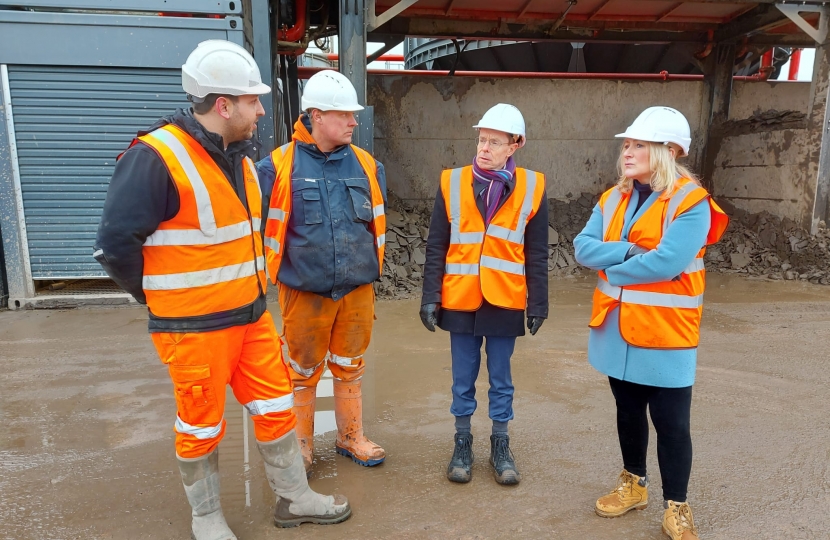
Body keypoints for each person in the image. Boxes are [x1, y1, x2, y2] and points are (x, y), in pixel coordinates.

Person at [94, 40, 350, 539]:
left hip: (251, 318)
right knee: (201, 426)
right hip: (192, 330)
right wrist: (161, 300)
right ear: (223, 105)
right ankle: (207, 517)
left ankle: (294, 498)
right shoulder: (157, 157)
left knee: (277, 408)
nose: (261, 110)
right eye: (253, 101)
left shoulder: (241, 156)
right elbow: (114, 246)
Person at [573, 106, 729, 540]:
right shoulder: (613, 196)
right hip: (617, 331)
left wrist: (611, 262)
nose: (627, 151)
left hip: (666, 333)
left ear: (667, 150)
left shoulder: (690, 202)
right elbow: (582, 248)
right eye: (626, 144)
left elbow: (670, 261)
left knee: (672, 423)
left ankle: (677, 505)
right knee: (627, 411)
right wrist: (625, 254)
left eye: (638, 144)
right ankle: (633, 484)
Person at [258, 70, 387, 473]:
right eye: (344, 115)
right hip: (304, 290)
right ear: (315, 115)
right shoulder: (276, 166)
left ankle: (350, 437)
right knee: (301, 369)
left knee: (350, 362)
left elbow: (375, 224)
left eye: (354, 115)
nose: (353, 122)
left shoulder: (367, 165)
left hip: (356, 287)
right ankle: (300, 445)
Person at [419, 103, 549, 486]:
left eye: (494, 141)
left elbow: (536, 252)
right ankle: (462, 442)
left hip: (505, 299)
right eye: (481, 140)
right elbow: (436, 246)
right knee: (462, 377)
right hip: (460, 298)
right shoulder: (452, 182)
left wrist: (538, 302)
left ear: (515, 145)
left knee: (501, 377)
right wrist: (430, 296)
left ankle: (500, 444)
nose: (484, 148)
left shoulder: (533, 187)